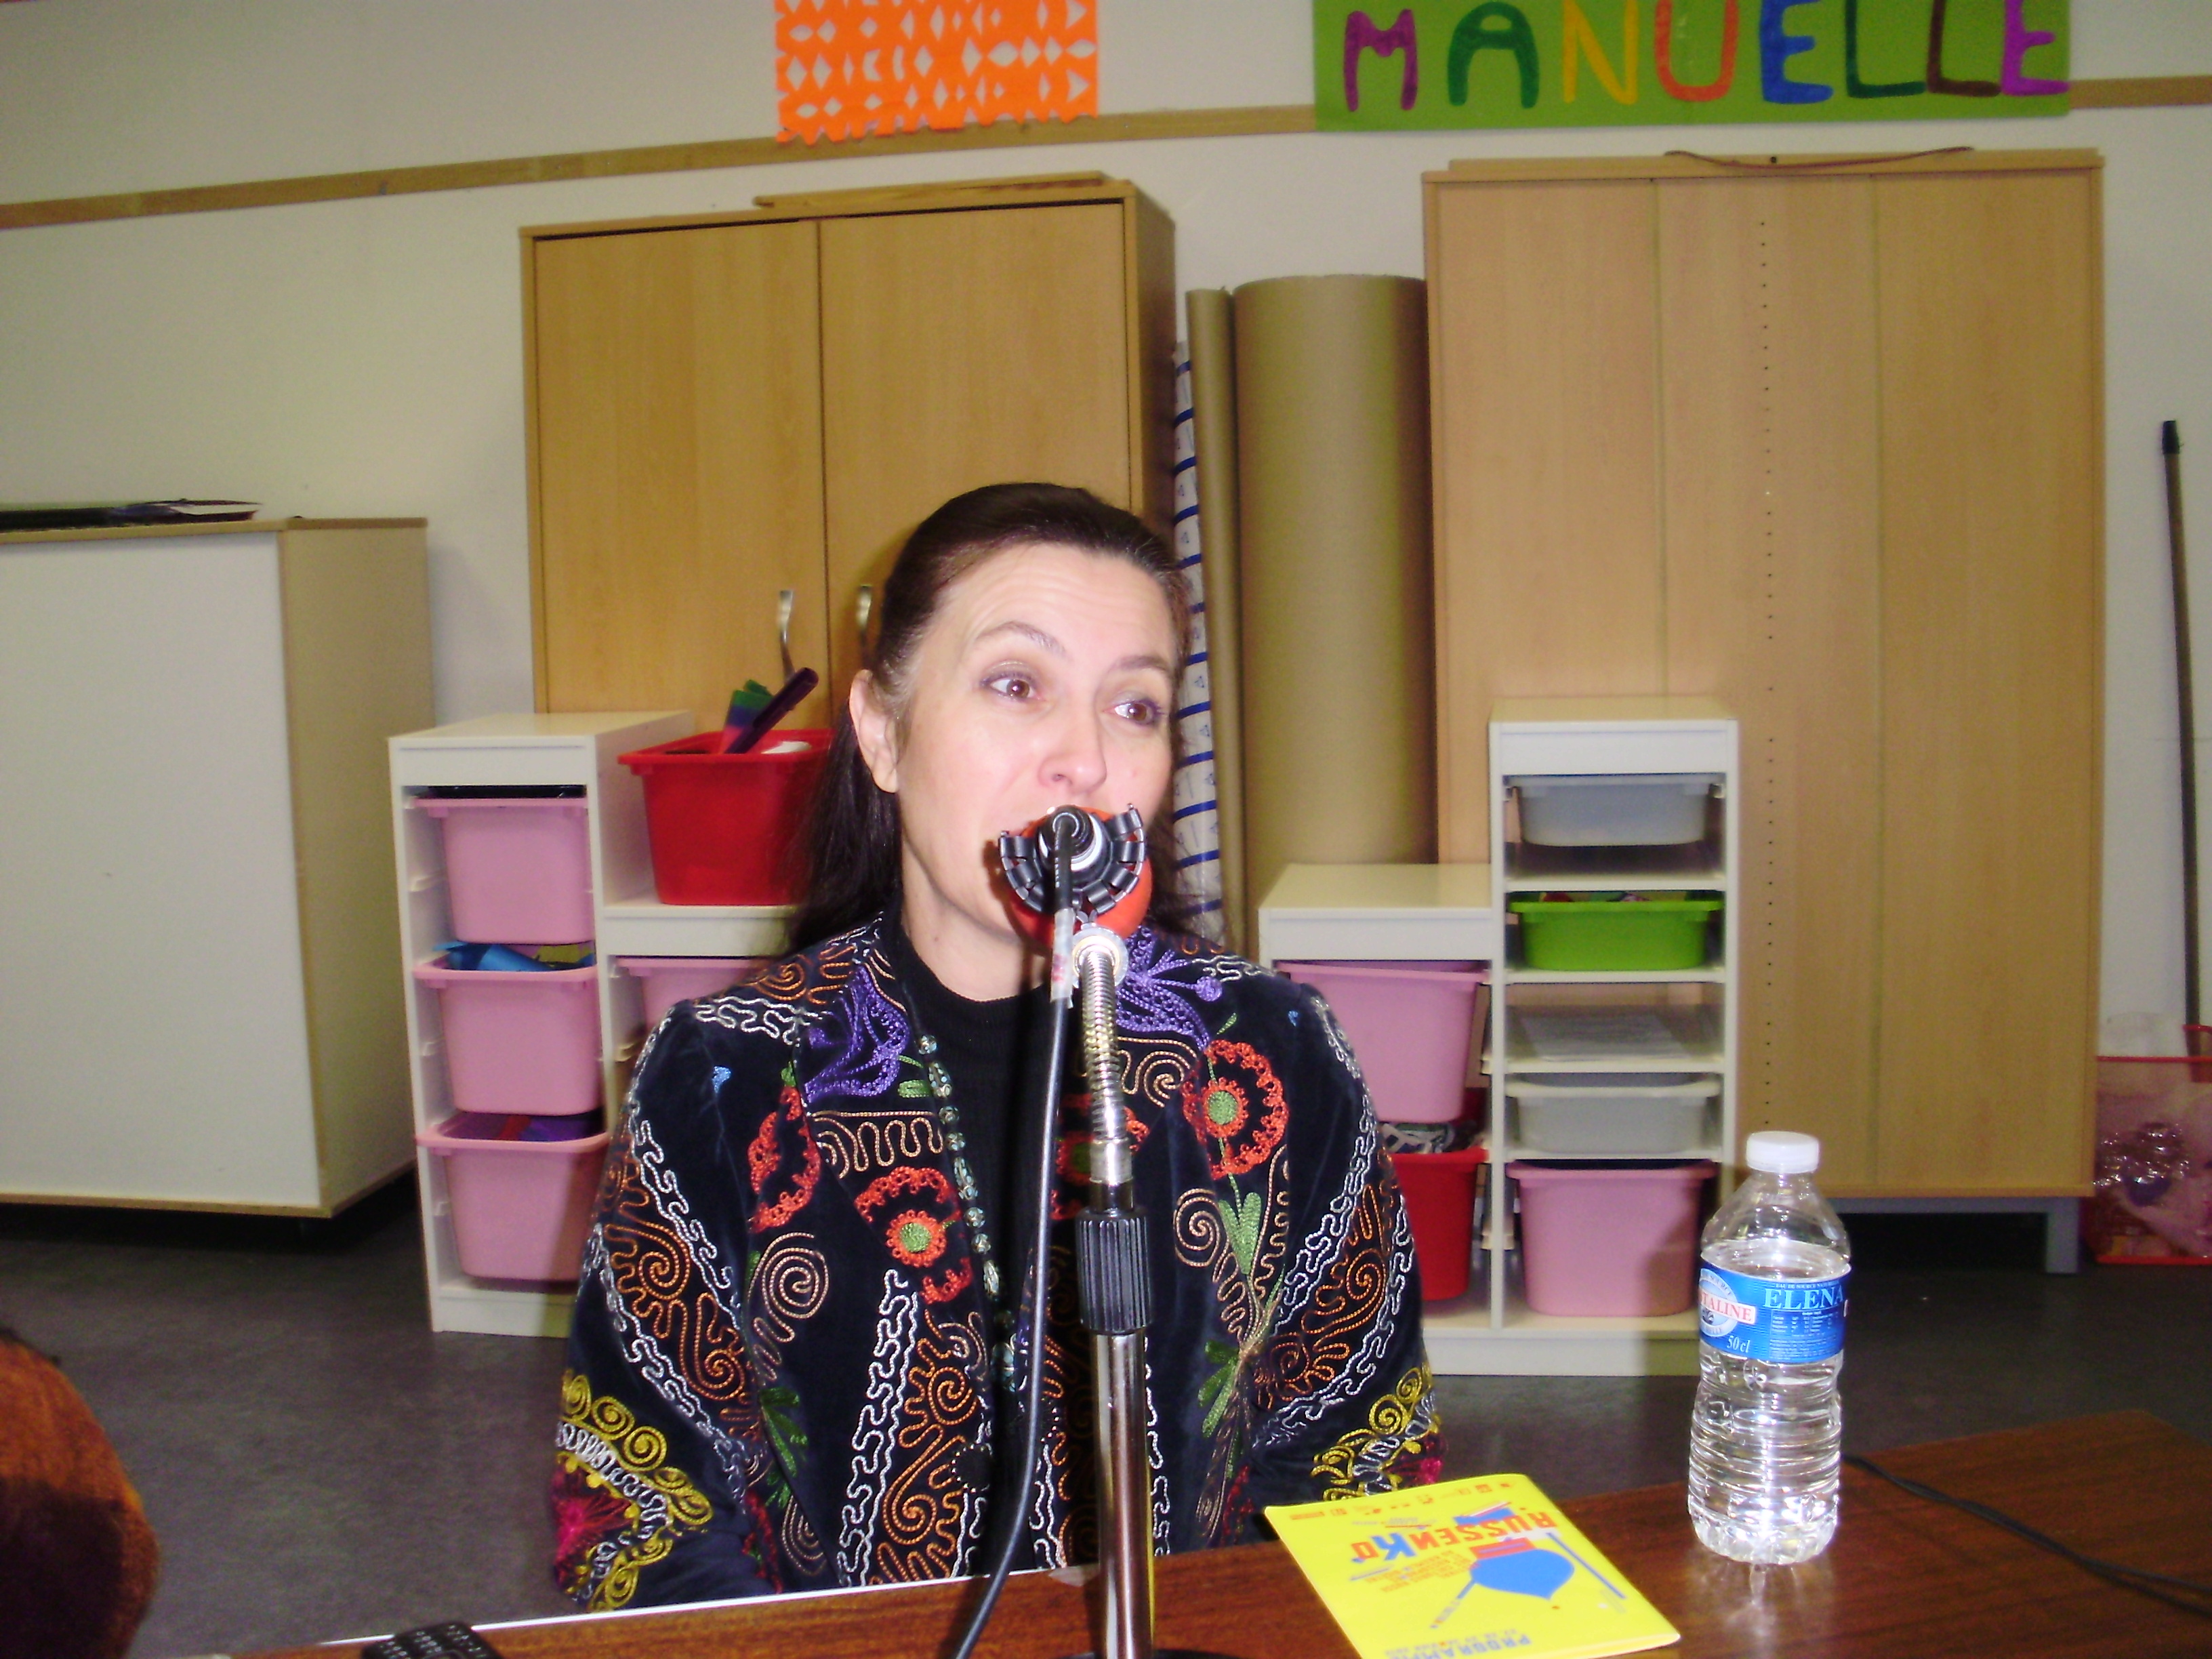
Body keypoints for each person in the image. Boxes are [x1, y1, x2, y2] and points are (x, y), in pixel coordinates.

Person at [552, 483, 1439, 1611]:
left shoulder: (1273, 1052)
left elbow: (1364, 1460)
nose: (1085, 760)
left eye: (1135, 706)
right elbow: (638, 1515)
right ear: (883, 731)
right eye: (1017, 686)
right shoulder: (723, 1078)